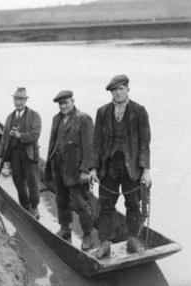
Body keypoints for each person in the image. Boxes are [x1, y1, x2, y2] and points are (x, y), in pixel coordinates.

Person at [91, 75, 152, 259]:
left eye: (121, 89)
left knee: (133, 204)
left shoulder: (139, 111)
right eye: (114, 90)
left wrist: (146, 170)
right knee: (105, 204)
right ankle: (106, 243)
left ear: (128, 90)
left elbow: (145, 142)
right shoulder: (102, 112)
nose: (118, 93)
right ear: (111, 93)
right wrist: (94, 168)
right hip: (108, 166)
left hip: (131, 167)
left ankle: (133, 239)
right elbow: (96, 143)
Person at [44, 90, 94, 251]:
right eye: (60, 104)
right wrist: (49, 166)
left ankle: (87, 235)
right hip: (58, 167)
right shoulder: (56, 118)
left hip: (75, 170)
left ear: (73, 101)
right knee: (61, 199)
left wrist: (86, 170)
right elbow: (52, 143)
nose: (63, 106)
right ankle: (65, 228)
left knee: (81, 204)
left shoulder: (83, 119)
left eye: (66, 103)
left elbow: (89, 147)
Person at [0, 87, 42, 219]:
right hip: (14, 156)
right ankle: (25, 205)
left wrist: (19, 135)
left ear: (25, 100)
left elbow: (35, 135)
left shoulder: (35, 116)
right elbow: (5, 138)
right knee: (18, 181)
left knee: (32, 182)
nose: (18, 102)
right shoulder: (10, 117)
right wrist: (3, 158)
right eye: (16, 99)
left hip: (29, 155)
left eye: (21, 99)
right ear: (13, 100)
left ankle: (34, 207)